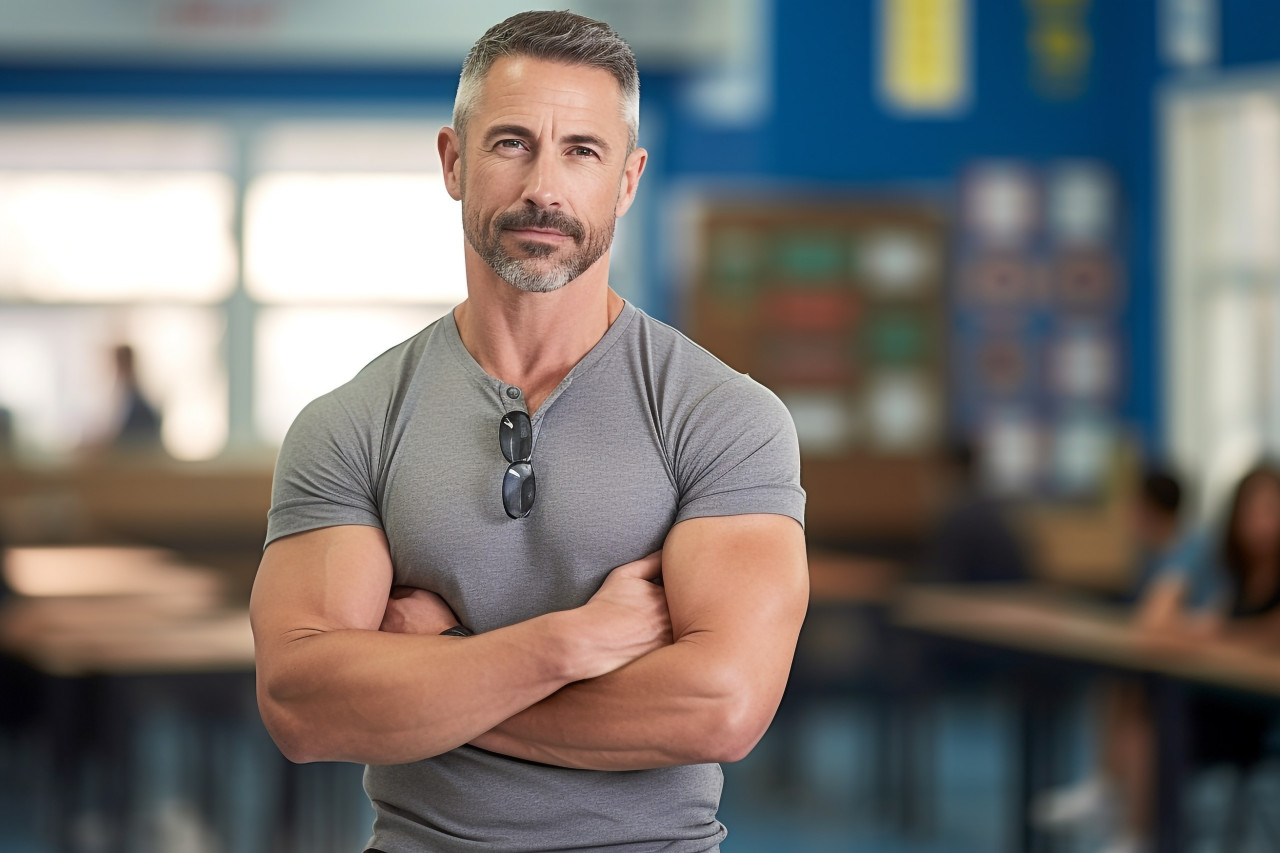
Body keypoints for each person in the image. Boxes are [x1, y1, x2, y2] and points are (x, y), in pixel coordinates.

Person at [249, 10, 808, 853]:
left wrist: (444, 668)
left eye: (582, 150)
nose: (545, 187)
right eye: (512, 143)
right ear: (453, 161)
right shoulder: (352, 423)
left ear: (627, 180)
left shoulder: (724, 416)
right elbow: (304, 705)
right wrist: (571, 643)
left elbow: (720, 706)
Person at [1037, 462, 1280, 853]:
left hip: (1256, 710)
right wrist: (1203, 632)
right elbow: (1207, 622)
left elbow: (1264, 633)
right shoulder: (1240, 575)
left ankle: (1139, 830)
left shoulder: (1193, 550)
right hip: (1222, 691)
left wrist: (1213, 636)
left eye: (1270, 510)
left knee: (1151, 709)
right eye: (1251, 512)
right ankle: (1114, 797)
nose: (1260, 523)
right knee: (1125, 680)